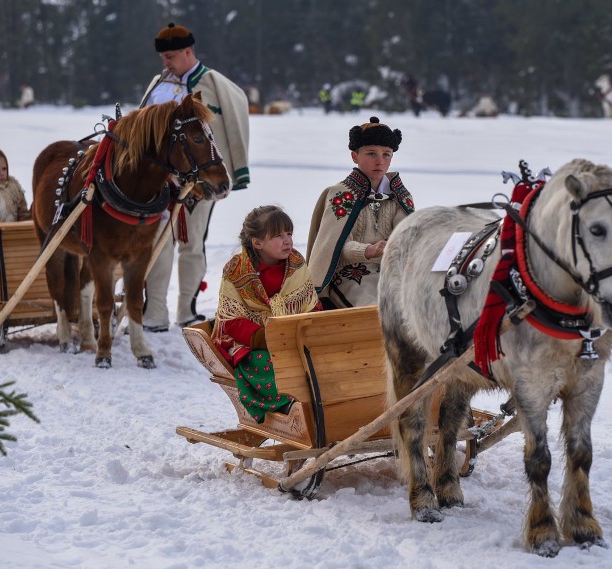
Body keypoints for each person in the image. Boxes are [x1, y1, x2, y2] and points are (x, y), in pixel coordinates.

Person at [139, 22, 251, 332]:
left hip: (199, 180)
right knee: (160, 243)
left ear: (189, 52)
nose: (167, 63)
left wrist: (229, 171)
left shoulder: (214, 84)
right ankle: (155, 312)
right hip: (161, 180)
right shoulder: (157, 83)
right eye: (164, 58)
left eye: (171, 56)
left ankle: (186, 310)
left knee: (193, 243)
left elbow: (229, 129)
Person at [211, 205, 321, 423]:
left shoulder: (296, 265)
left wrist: (310, 330)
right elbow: (231, 318)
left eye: (289, 233)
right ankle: (286, 402)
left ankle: (320, 402)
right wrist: (266, 338)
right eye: (278, 236)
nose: (288, 240)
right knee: (263, 362)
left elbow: (310, 303)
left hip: (292, 335)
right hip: (250, 341)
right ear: (257, 243)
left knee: (318, 360)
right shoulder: (236, 269)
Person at [306, 117, 414, 309]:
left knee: (419, 303)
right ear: (355, 156)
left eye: (386, 154)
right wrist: (367, 251)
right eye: (371, 153)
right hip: (349, 274)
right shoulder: (342, 194)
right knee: (377, 308)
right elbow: (337, 247)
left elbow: (408, 235)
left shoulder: (399, 195)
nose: (380, 161)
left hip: (390, 272)